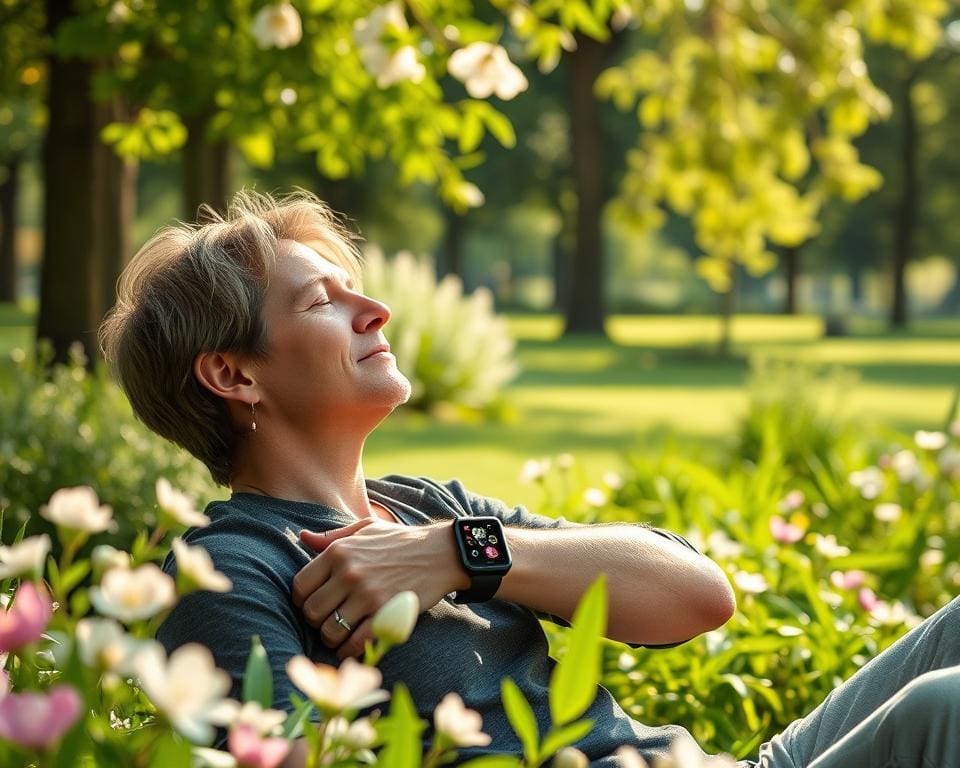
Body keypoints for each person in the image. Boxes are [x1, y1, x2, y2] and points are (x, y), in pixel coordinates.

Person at [99, 190, 960, 768]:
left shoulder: (433, 510)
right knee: (945, 709)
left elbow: (700, 596)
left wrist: (460, 552)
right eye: (323, 301)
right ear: (234, 376)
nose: (376, 311)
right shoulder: (235, 572)